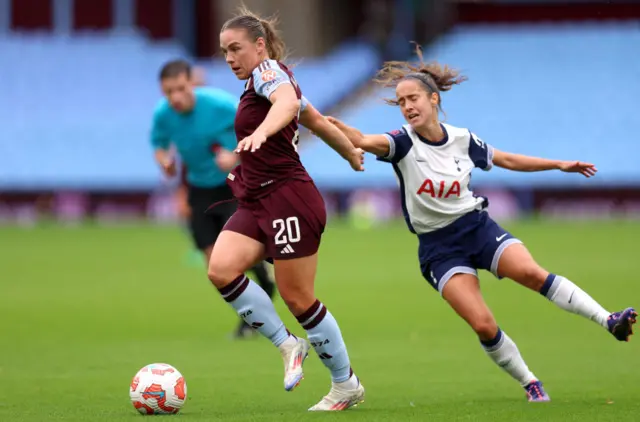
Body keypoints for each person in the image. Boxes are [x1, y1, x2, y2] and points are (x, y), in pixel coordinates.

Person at [327, 48, 637, 402]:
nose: (407, 107)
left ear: (433, 98)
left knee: (535, 274)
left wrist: (558, 165)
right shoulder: (401, 143)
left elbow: (506, 159)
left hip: (477, 228)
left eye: (413, 98)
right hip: (439, 249)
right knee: (484, 324)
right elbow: (363, 140)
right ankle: (530, 382)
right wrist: (320, 121)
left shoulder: (462, 139)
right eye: (401, 102)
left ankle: (608, 320)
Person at [208, 7, 366, 411]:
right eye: (225, 51)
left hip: (289, 199)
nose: (229, 58)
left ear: (259, 46)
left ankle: (345, 384)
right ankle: (287, 344)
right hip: (259, 199)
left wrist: (261, 131)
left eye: (236, 49)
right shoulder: (260, 83)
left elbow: (286, 103)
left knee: (299, 298)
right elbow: (312, 117)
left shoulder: (268, 73)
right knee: (221, 268)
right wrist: (349, 151)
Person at [150, 59, 277, 339]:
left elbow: (259, 132)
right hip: (199, 190)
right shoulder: (163, 115)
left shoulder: (221, 105)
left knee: (233, 259)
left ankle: (256, 314)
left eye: (180, 89)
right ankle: (255, 305)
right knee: (216, 268)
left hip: (233, 186)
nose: (175, 98)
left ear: (191, 83)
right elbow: (158, 145)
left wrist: (235, 155)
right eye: (168, 92)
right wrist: (165, 162)